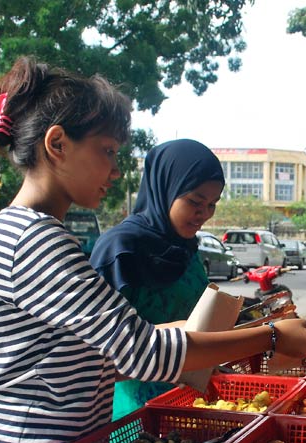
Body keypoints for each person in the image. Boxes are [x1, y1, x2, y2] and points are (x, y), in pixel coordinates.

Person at [0, 57, 306, 443]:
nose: (116, 170)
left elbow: (107, 346)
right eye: (107, 151)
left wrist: (242, 327)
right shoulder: (34, 238)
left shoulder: (26, 230)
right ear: (57, 144)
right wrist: (272, 336)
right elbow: (142, 353)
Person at [90, 139, 225, 420]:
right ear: (165, 188)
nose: (204, 214)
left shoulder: (187, 249)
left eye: (212, 204)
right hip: (132, 411)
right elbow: (99, 350)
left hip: (190, 401)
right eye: (195, 201)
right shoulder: (120, 250)